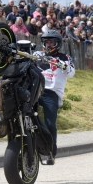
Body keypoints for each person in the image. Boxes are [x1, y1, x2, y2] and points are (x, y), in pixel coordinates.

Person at [34, 30, 75, 165]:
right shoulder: (38, 54)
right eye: (47, 42)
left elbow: (71, 73)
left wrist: (63, 65)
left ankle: (51, 152)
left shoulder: (64, 57)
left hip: (51, 93)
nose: (48, 44)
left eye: (51, 42)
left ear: (57, 44)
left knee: (50, 123)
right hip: (35, 89)